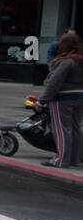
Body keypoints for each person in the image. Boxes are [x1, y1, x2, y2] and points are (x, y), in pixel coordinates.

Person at [38, 31, 83, 168]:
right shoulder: (80, 61)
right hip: (80, 97)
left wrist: (42, 101)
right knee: (76, 128)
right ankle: (74, 159)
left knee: (62, 129)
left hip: (63, 98)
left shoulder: (66, 62)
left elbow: (54, 83)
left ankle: (61, 160)